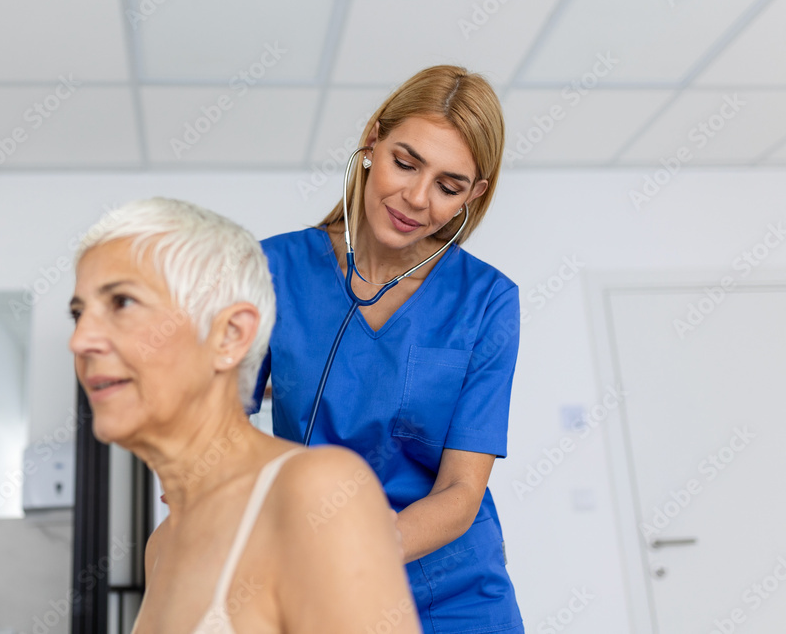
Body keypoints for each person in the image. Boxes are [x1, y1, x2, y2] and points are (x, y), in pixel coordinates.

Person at [68, 197, 422, 634]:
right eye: (78, 313)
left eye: (122, 302)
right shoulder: (162, 545)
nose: (80, 340)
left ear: (230, 335)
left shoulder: (316, 493)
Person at [253, 65, 524, 633]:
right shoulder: (271, 269)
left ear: (472, 196)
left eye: (448, 187)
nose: (416, 198)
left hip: (452, 590)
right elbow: (217, 432)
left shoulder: (487, 300)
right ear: (372, 143)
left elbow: (461, 489)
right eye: (405, 162)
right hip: (318, 578)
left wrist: (354, 552)